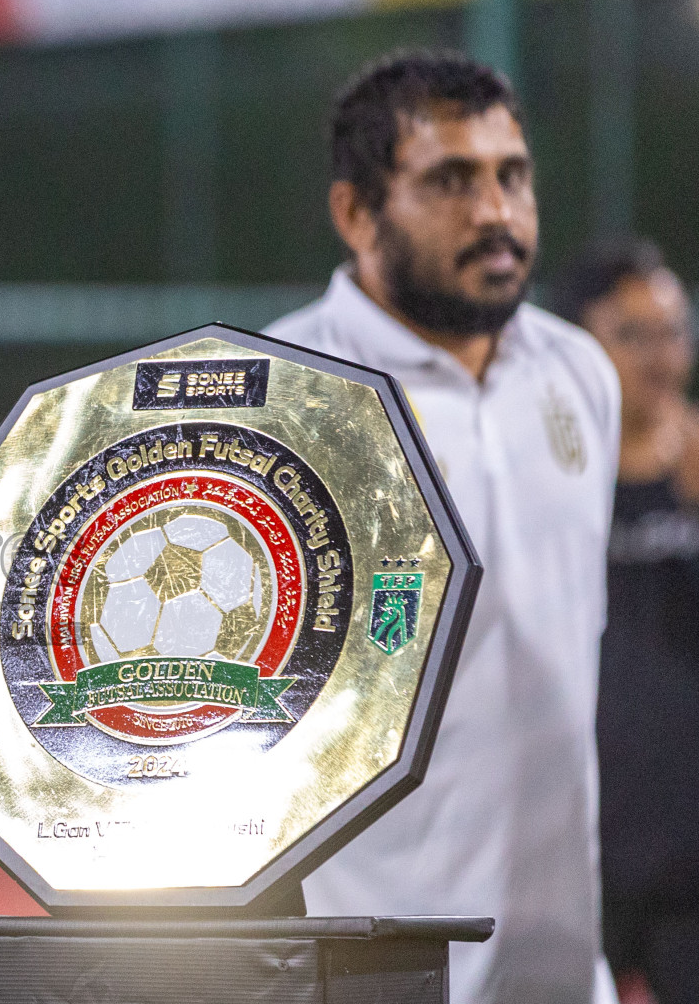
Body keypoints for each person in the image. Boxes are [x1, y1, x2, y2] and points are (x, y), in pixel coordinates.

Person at [263, 49, 620, 1004]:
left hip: (560, 973)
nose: (496, 213)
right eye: (449, 181)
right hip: (367, 973)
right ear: (355, 213)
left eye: (512, 175)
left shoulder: (578, 373)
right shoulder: (288, 394)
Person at [554, 238, 699, 1004]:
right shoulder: (547, 484)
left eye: (674, 331)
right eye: (631, 334)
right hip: (581, 861)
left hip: (688, 870)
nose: (660, 354)